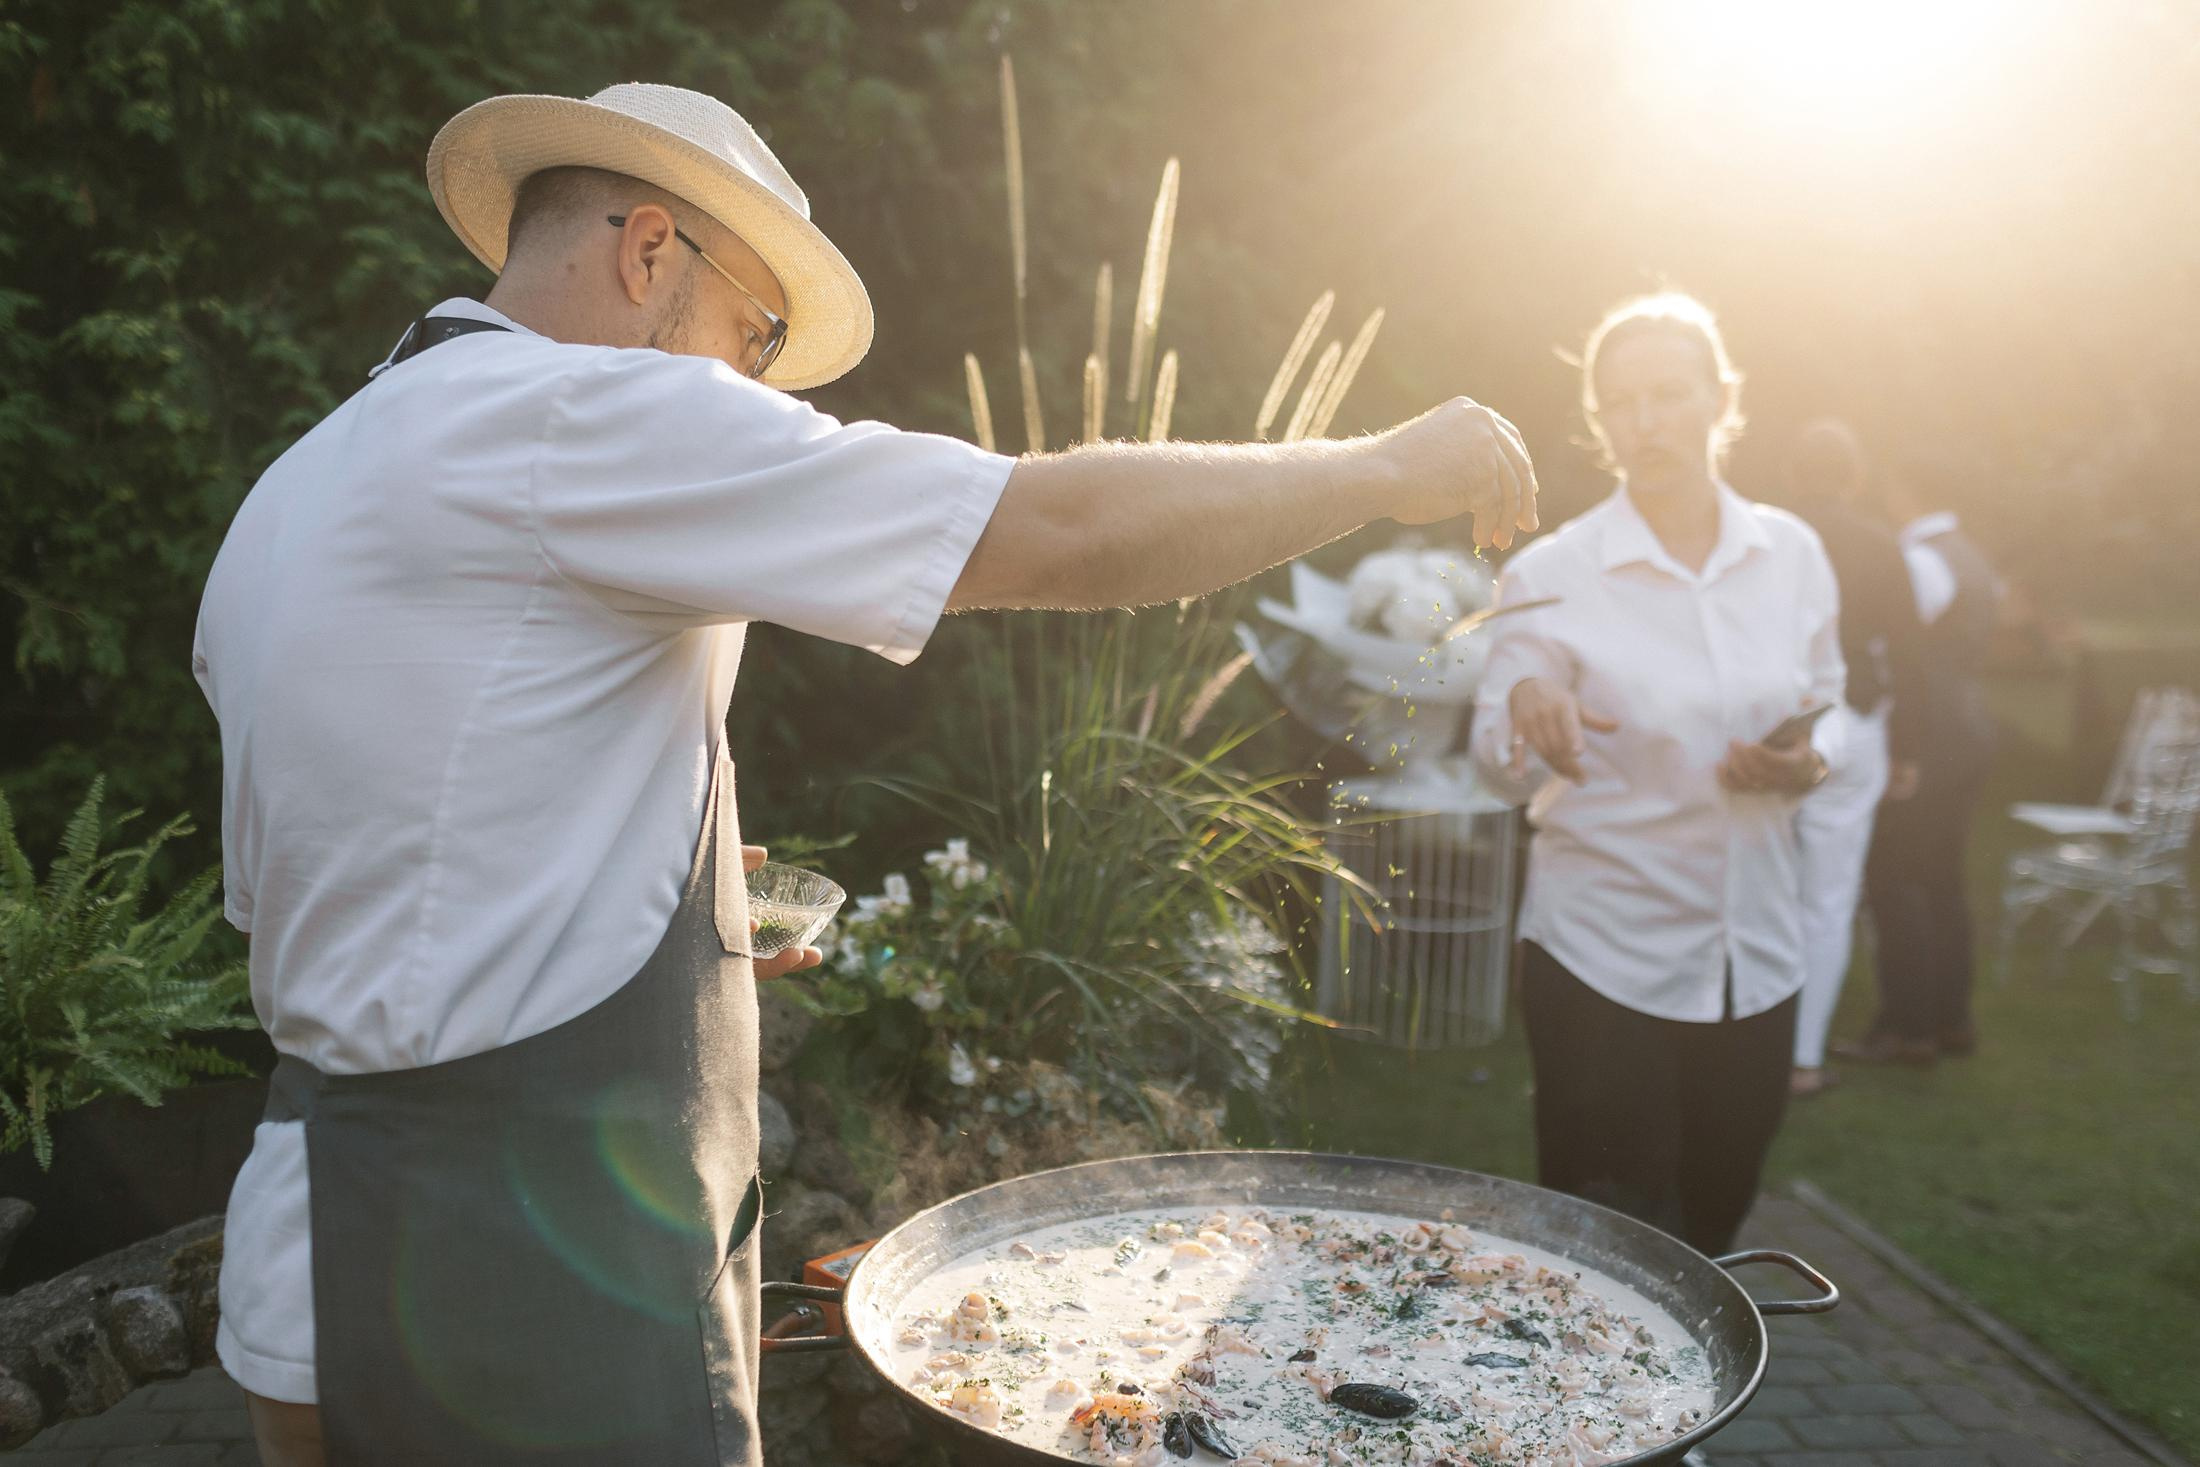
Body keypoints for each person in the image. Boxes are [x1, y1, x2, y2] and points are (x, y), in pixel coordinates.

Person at [192, 83, 1539, 1467]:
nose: (755, 384)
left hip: (311, 1263)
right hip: (521, 1301)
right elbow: (1058, 529)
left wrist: (658, 896)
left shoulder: (305, 480)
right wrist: (1380, 465)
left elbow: (364, 859)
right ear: (649, 251)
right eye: (754, 334)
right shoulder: (577, 415)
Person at [1470, 292, 1843, 1256]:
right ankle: (1604, 1411)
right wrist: (1527, 710)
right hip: (1602, 955)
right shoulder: (1553, 570)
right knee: (1608, 1244)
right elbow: (1494, 761)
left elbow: (1829, 709)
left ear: (1721, 397)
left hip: (1754, 954)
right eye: (1621, 402)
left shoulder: (1792, 552)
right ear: (1600, 422)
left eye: (1669, 394)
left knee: (1716, 1219)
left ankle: (1686, 1403)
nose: (1646, 422)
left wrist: (1802, 762)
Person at [1783, 419, 1928, 1096]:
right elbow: (1909, 653)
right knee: (1829, 898)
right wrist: (1909, 748)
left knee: (1752, 886)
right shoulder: (1880, 545)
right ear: (1854, 475)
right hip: (1857, 723)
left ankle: (1731, 1039)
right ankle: (1802, 1058)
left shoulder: (1768, 535)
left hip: (1778, 723)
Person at [1844, 471, 2004, 1063]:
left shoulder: (1922, 560)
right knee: (1941, 878)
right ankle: (1951, 1020)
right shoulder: (1971, 556)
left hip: (1931, 736)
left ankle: (1906, 1028)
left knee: (1894, 876)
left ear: (1901, 491)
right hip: (1969, 728)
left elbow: (1896, 640)